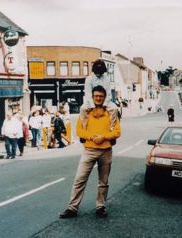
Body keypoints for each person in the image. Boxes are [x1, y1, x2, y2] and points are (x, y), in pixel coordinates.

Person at [60, 85, 121, 219]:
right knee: (79, 180)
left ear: (104, 98)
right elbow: (79, 131)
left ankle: (100, 206)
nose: (98, 98)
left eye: (101, 96)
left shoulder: (111, 112)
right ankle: (72, 208)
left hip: (106, 151)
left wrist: (104, 137)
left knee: (103, 182)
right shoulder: (86, 112)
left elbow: (117, 131)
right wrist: (92, 137)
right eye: (96, 96)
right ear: (92, 97)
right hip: (89, 150)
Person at [79, 59, 117, 131]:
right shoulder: (89, 79)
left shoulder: (107, 79)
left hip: (104, 100)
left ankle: (111, 129)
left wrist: (104, 106)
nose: (98, 74)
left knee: (114, 108)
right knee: (82, 109)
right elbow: (88, 94)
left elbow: (108, 94)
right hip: (92, 101)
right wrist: (93, 108)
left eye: (100, 72)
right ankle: (84, 129)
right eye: (97, 72)